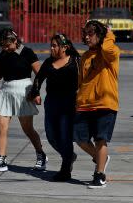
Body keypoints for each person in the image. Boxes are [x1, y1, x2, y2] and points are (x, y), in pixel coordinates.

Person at [0, 29, 47, 173]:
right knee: (1, 127)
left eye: (7, 45)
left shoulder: (27, 52)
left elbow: (40, 74)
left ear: (15, 41)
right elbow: (0, 72)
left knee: (27, 129)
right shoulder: (3, 54)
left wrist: (36, 92)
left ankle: (41, 155)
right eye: (3, 46)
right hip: (6, 91)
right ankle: (1, 160)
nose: (5, 49)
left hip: (24, 91)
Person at [74, 19, 120, 189]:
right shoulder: (85, 56)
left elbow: (107, 48)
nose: (86, 37)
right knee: (79, 138)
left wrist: (108, 34)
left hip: (105, 104)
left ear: (100, 35)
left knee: (101, 139)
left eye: (90, 33)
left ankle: (99, 175)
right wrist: (77, 99)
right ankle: (101, 157)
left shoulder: (111, 51)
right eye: (84, 34)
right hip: (84, 104)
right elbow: (81, 81)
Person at [29, 33, 80, 181]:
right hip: (51, 102)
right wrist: (35, 93)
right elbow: (39, 79)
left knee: (65, 136)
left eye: (54, 46)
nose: (51, 48)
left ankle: (65, 170)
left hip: (69, 103)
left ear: (64, 47)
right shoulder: (49, 62)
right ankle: (69, 156)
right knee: (51, 136)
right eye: (51, 45)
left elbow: (84, 82)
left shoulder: (75, 61)